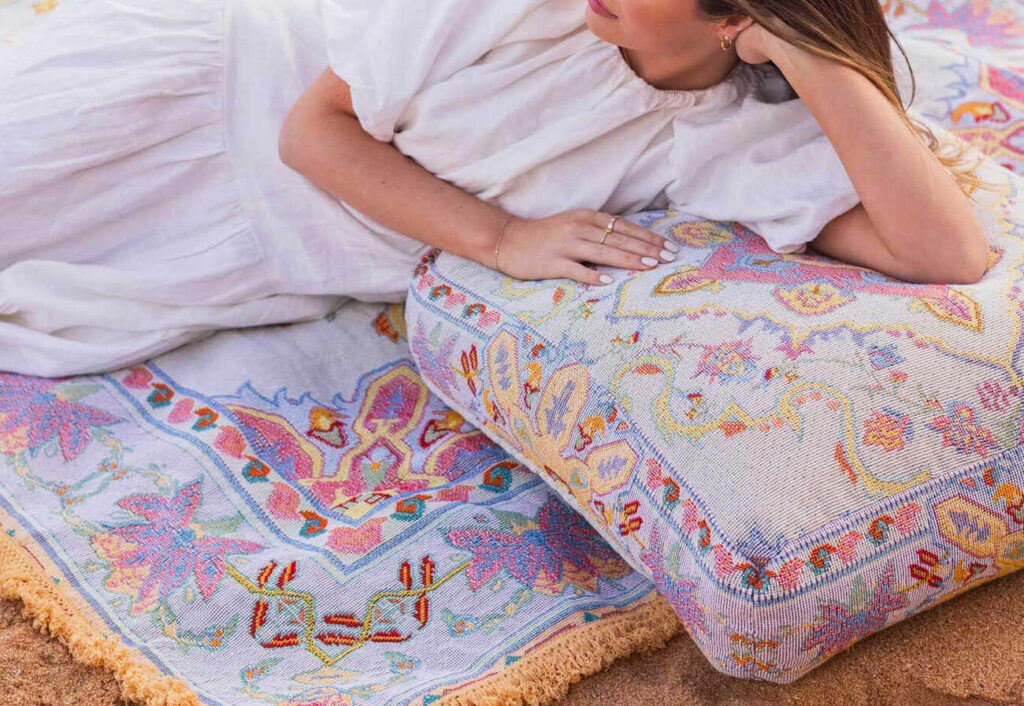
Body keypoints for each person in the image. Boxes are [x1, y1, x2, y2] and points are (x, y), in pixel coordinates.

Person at [0, 0, 994, 378]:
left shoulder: (733, 127)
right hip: (205, 101)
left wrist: (813, 61)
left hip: (266, 238)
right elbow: (311, 131)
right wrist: (500, 239)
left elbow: (944, 254)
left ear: (735, 22)